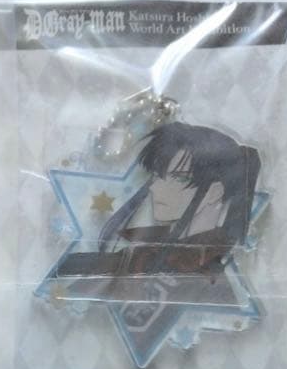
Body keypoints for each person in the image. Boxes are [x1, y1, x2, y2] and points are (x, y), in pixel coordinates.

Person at [56, 121, 261, 291]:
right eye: (157, 176)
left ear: (215, 192)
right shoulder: (146, 251)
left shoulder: (208, 272)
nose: (155, 188)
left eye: (178, 178)